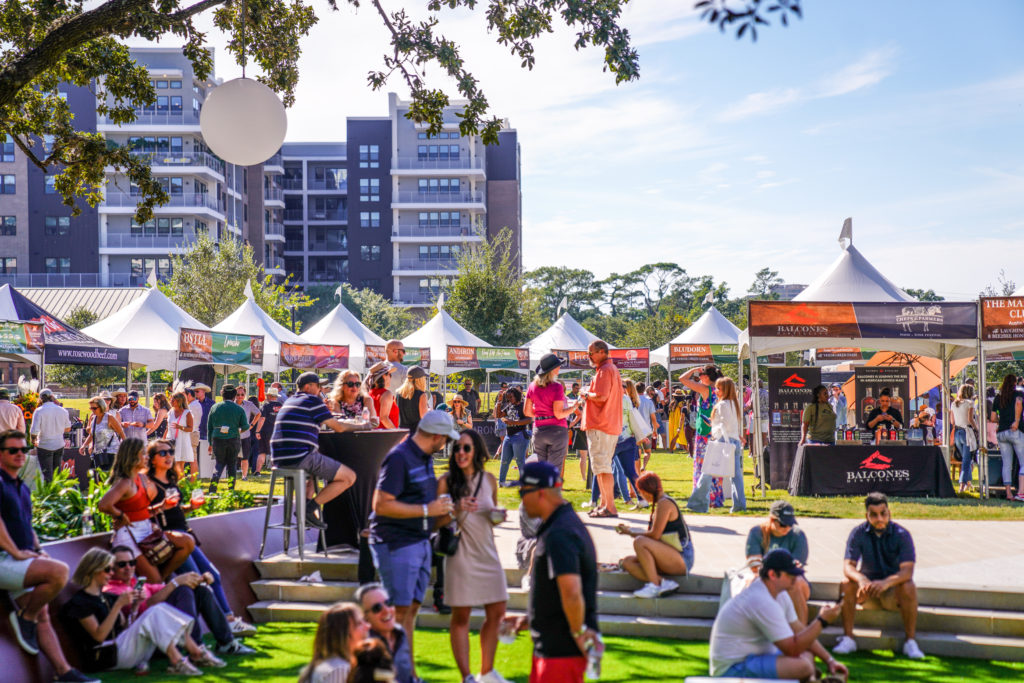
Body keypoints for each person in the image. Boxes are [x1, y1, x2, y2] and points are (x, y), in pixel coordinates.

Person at [0, 429, 98, 682]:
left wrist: (37, 550)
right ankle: (25, 617)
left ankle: (63, 672)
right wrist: (17, 554)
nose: (20, 454)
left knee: (43, 613)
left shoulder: (19, 485)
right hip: (4, 561)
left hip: (18, 561)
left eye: (23, 449)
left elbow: (25, 524)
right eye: (13, 450)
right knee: (59, 571)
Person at [369, 410, 457, 682]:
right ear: (436, 436)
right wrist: (426, 509)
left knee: (409, 611)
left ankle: (406, 674)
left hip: (418, 541)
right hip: (396, 542)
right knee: (394, 614)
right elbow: (381, 504)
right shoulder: (400, 457)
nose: (446, 445)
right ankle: (383, 674)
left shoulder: (423, 457)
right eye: (446, 439)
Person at [146, 440, 258, 645]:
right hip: (171, 540)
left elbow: (175, 510)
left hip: (184, 534)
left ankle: (229, 620)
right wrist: (161, 506)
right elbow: (144, 514)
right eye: (162, 453)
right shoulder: (150, 484)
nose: (169, 456)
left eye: (170, 451)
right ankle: (203, 637)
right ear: (152, 459)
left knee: (212, 575)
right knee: (198, 580)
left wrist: (191, 507)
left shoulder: (171, 480)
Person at [502, 462, 599, 683]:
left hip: (561, 654)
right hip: (553, 649)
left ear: (541, 493)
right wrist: (533, 619)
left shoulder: (560, 534)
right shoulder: (560, 524)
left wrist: (578, 635)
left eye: (522, 492)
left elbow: (572, 593)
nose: (520, 499)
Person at [60, 547, 207, 676]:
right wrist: (118, 606)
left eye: (112, 569)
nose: (111, 573)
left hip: (123, 649)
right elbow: (99, 636)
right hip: (105, 658)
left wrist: (135, 607)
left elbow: (126, 628)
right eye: (107, 569)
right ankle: (185, 658)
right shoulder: (80, 603)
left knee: (158, 609)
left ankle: (195, 653)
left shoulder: (108, 598)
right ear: (93, 570)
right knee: (155, 611)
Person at [435, 429, 509, 683]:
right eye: (457, 448)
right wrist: (455, 509)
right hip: (461, 554)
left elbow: (492, 515)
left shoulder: (489, 479)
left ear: (477, 450)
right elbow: (434, 523)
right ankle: (467, 676)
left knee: (498, 610)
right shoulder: (446, 481)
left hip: (488, 552)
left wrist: (498, 516)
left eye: (466, 448)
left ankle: (487, 671)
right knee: (461, 616)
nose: (461, 453)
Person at [708, 548, 847, 681]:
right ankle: (810, 679)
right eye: (789, 574)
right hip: (731, 669)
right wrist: (822, 621)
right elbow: (792, 648)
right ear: (772, 575)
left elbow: (800, 631)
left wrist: (830, 660)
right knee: (803, 666)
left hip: (752, 658)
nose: (795, 577)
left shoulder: (780, 594)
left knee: (807, 654)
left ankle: (811, 680)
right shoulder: (760, 600)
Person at [103, 545, 235, 666]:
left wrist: (200, 580)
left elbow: (167, 590)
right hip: (149, 643)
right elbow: (146, 613)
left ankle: (226, 643)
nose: (128, 567)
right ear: (111, 567)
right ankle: (196, 647)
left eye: (132, 563)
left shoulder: (138, 584)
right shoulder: (112, 591)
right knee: (181, 589)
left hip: (166, 635)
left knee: (200, 590)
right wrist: (176, 583)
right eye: (122, 564)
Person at [833, 492, 924, 660]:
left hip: (892, 592)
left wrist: (886, 583)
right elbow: (848, 566)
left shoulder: (902, 534)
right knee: (846, 583)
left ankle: (910, 641)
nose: (879, 518)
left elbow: (907, 571)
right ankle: (848, 638)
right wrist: (862, 580)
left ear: (889, 513)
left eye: (883, 513)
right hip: (866, 591)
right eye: (873, 515)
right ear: (866, 515)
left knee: (909, 585)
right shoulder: (858, 533)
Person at [270, 372, 365, 529]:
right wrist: (362, 426)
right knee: (349, 477)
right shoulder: (312, 400)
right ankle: (308, 510)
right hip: (300, 457)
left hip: (279, 459)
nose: (321, 389)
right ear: (308, 387)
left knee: (316, 468)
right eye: (318, 386)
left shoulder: (290, 401)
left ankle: (306, 510)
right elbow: (339, 427)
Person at [97, 438, 194, 583]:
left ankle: (163, 579)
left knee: (187, 542)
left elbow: (142, 511)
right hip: (129, 535)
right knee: (154, 581)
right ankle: (160, 584)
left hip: (146, 529)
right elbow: (103, 504)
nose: (147, 456)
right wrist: (120, 515)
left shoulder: (142, 478)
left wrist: (162, 506)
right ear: (133, 456)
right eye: (143, 453)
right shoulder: (125, 482)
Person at [617, 471, 693, 598]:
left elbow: (655, 535)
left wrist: (631, 533)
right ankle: (663, 583)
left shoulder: (665, 503)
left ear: (646, 492)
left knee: (640, 542)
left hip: (683, 558)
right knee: (627, 562)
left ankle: (654, 585)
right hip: (670, 554)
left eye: (640, 492)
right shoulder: (660, 503)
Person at [746, 501, 811, 625]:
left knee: (796, 583)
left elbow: (795, 569)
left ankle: (802, 635)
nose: (787, 528)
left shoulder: (798, 535)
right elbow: (755, 567)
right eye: (782, 524)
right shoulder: (757, 533)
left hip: (789, 579)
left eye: (790, 524)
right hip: (766, 578)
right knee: (752, 582)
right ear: (771, 520)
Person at [688, 374, 744, 513]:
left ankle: (698, 503)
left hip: (722, 441)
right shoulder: (734, 404)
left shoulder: (722, 405)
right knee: (736, 477)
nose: (716, 390)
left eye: (718, 388)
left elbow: (722, 424)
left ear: (724, 390)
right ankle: (739, 505)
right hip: (734, 441)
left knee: (706, 472)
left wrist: (715, 431)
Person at [581, 340, 623, 517]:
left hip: (601, 424)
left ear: (601, 352)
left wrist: (585, 394)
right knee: (600, 466)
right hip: (608, 424)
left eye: (591, 353)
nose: (588, 357)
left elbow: (601, 396)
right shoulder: (610, 369)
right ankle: (604, 504)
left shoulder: (605, 370)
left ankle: (610, 506)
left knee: (602, 466)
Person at [525, 353, 580, 475]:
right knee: (553, 472)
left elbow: (527, 411)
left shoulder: (532, 386)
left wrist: (541, 414)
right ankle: (552, 493)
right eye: (558, 366)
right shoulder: (557, 387)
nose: (559, 368)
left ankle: (542, 493)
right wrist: (574, 407)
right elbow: (559, 414)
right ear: (552, 369)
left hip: (539, 430)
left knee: (542, 470)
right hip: (556, 431)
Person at [297, 602, 370, 683]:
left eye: (364, 620)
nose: (368, 626)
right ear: (343, 635)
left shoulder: (329, 665)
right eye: (359, 624)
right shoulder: (339, 671)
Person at [356, 583, 413, 683]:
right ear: (365, 617)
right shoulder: (364, 647)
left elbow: (408, 679)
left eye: (388, 603)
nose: (386, 610)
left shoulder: (401, 633)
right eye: (377, 608)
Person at [206, 384, 249, 493]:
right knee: (232, 464)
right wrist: (237, 431)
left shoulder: (214, 407)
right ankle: (231, 490)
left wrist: (210, 443)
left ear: (222, 394)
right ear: (234, 395)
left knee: (219, 464)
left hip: (217, 439)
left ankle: (212, 489)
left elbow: (209, 427)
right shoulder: (239, 409)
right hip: (233, 439)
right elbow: (245, 426)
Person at [990, 374, 1024, 501]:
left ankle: (1009, 493)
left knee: (1006, 464)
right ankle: (1021, 492)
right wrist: (1016, 420)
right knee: (1023, 462)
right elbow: (1018, 405)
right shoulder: (1017, 395)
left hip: (1001, 432)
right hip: (1015, 430)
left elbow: (993, 418)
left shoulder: (998, 397)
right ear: (1015, 383)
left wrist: (1001, 421)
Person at [612, 381, 644, 511]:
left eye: (624, 386)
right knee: (625, 470)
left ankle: (628, 498)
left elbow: (632, 420)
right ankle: (631, 497)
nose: (623, 388)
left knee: (622, 470)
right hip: (628, 438)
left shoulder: (626, 401)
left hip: (622, 438)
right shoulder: (630, 401)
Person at [29, 389, 71, 482]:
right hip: (59, 444)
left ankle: (50, 494)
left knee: (47, 474)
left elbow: (34, 431)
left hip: (44, 445)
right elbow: (68, 428)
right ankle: (58, 493)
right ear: (52, 397)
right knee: (57, 472)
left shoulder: (39, 411)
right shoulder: (63, 410)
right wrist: (58, 430)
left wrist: (33, 441)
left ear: (41, 399)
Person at [79, 394, 125, 472]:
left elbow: (121, 432)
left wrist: (126, 447)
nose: (92, 410)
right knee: (97, 477)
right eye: (91, 408)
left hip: (111, 453)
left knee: (108, 478)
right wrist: (84, 445)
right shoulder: (93, 418)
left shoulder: (109, 418)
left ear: (101, 407)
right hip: (99, 453)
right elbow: (92, 434)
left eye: (94, 408)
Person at [497, 387, 531, 487]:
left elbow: (529, 419)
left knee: (520, 461)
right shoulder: (509, 406)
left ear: (516, 396)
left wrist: (513, 422)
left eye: (511, 397)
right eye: (507, 398)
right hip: (509, 436)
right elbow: (499, 415)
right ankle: (501, 482)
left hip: (520, 435)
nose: (509, 399)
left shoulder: (523, 406)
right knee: (504, 461)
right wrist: (499, 401)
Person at [950, 383, 979, 493]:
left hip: (957, 432)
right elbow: (970, 419)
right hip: (967, 432)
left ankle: (968, 483)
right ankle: (962, 484)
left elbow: (952, 421)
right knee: (967, 460)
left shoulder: (954, 404)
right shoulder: (970, 403)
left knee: (965, 459)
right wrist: (977, 429)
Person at [167, 391, 195, 483]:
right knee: (172, 465)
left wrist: (180, 427)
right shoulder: (170, 412)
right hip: (171, 440)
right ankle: (174, 484)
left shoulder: (187, 413)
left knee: (179, 465)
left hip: (182, 441)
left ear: (179, 401)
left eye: (173, 400)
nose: (171, 401)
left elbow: (190, 428)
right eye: (171, 399)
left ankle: (181, 486)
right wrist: (164, 440)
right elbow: (168, 427)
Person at [234, 386, 261, 481]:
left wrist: (252, 425)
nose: (240, 396)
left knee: (245, 457)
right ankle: (231, 475)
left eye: (242, 394)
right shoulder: (231, 405)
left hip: (245, 434)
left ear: (245, 395)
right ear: (235, 395)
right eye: (238, 394)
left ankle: (244, 476)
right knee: (232, 457)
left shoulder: (249, 404)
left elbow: (258, 413)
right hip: (233, 435)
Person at [255, 385, 283, 473]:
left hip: (265, 431)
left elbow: (262, 418)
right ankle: (276, 471)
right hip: (278, 432)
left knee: (262, 452)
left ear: (270, 396)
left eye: (267, 395)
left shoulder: (266, 406)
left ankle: (258, 471)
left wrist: (257, 431)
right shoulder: (281, 406)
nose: (266, 397)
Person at [395, 366, 430, 436]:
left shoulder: (398, 394)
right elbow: (424, 418)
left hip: (402, 434)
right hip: (416, 435)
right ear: (420, 379)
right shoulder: (422, 395)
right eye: (424, 378)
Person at [366, 361, 400, 429]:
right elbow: (384, 418)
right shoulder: (386, 394)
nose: (391, 378)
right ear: (384, 376)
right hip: (386, 435)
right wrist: (395, 432)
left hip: (373, 434)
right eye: (390, 374)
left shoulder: (369, 393)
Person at [634, 380, 658, 471]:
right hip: (647, 430)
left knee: (638, 451)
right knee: (647, 451)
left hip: (636, 430)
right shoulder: (649, 401)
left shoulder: (633, 400)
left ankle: (637, 468)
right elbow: (653, 417)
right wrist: (655, 430)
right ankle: (643, 466)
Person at [667, 388, 688, 453]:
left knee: (678, 436)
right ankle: (671, 450)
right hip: (679, 421)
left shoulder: (672, 403)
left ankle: (687, 450)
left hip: (672, 422)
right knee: (678, 436)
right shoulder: (681, 404)